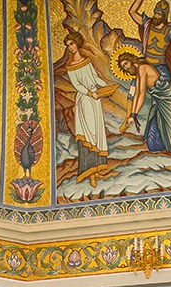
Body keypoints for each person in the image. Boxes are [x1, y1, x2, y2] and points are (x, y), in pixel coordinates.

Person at [62, 31, 114, 184]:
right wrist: (91, 93)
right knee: (89, 134)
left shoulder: (86, 60)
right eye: (67, 46)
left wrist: (107, 86)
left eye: (71, 44)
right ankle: (88, 172)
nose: (70, 47)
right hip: (85, 100)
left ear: (77, 43)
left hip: (95, 99)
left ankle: (97, 169)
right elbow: (77, 85)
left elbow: (95, 77)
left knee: (97, 133)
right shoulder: (70, 66)